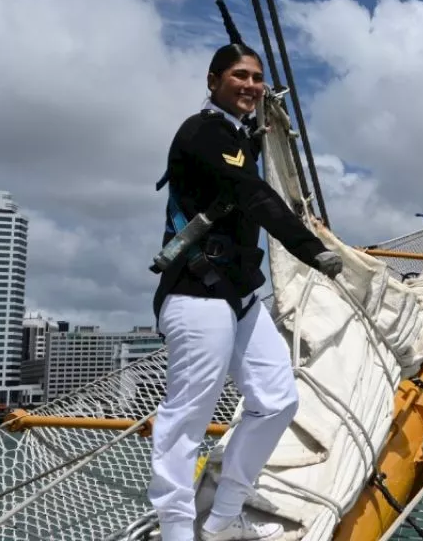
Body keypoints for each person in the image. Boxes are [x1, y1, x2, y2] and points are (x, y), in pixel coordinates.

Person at [148, 43, 343, 541]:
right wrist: (311, 248)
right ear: (213, 80)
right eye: (240, 75)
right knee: (186, 417)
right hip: (196, 294)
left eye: (257, 78)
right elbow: (250, 194)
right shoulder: (204, 131)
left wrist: (256, 139)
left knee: (278, 400)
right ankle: (175, 531)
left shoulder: (237, 136)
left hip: (238, 296)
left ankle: (221, 518)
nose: (251, 86)